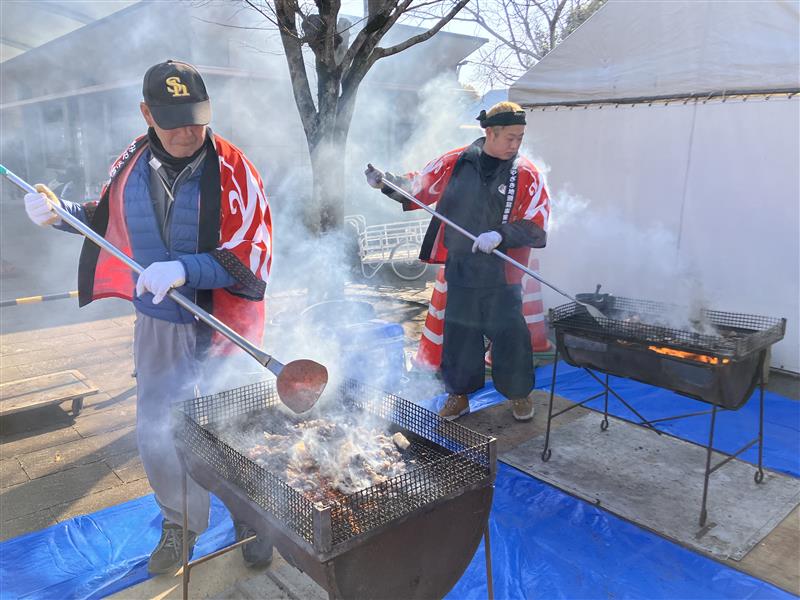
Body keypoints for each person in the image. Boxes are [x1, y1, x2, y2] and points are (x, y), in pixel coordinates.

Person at [23, 60, 274, 574]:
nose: (187, 131)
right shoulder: (131, 163)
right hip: (160, 322)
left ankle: (255, 517)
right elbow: (108, 218)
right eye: (172, 119)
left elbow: (254, 251)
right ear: (146, 114)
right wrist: (60, 213)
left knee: (238, 424)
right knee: (160, 424)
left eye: (196, 118)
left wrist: (185, 267)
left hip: (227, 321)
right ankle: (179, 522)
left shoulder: (235, 168)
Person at [365, 101, 550, 422]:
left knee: (510, 335)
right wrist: (387, 183)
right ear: (490, 132)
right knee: (460, 336)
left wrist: (501, 235)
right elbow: (419, 187)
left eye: (520, 137)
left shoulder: (527, 174)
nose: (515, 144)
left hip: (501, 272)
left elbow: (537, 221)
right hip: (461, 266)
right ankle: (459, 395)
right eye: (510, 137)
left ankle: (519, 394)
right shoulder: (456, 162)